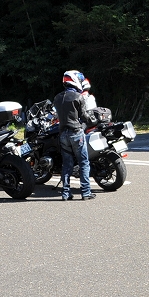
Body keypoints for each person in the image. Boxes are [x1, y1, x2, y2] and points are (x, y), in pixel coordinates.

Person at [53, 70, 95, 201]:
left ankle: (66, 193)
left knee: (67, 164)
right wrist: (92, 120)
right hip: (76, 132)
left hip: (63, 134)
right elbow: (84, 116)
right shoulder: (78, 97)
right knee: (83, 163)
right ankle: (86, 192)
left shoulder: (57, 98)